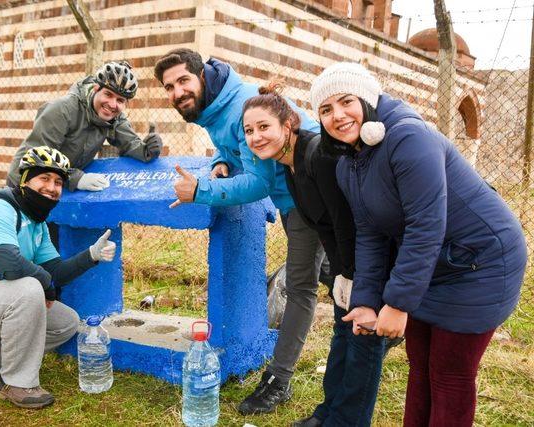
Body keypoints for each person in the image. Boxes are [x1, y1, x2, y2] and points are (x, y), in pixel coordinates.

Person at [310, 62, 527, 426]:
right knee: (421, 368)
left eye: (346, 101)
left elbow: (426, 225)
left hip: (482, 262)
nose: (338, 115)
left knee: (450, 375)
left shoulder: (410, 138)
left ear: (368, 99)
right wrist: (366, 301)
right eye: (326, 110)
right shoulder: (350, 164)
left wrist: (397, 302)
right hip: (433, 266)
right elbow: (370, 234)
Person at [154, 48, 325, 415]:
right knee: (327, 267)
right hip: (294, 195)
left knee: (300, 286)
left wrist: (200, 191)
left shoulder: (239, 103)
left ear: (202, 75)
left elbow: (257, 184)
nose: (177, 92)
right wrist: (219, 162)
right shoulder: (214, 106)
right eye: (169, 87)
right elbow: (232, 148)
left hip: (311, 195)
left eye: (183, 80)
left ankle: (278, 379)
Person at [0, 146, 117, 409]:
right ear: (25, 180)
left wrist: (91, 255)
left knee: (67, 322)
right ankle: (17, 384)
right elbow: (9, 265)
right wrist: (45, 283)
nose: (52, 188)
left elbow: (55, 273)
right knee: (29, 288)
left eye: (58, 182)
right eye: (44, 179)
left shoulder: (37, 224)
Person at [243, 81, 386, 426]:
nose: (256, 137)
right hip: (348, 262)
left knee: (361, 342)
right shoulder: (288, 166)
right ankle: (327, 413)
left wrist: (352, 276)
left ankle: (345, 420)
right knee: (341, 334)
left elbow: (346, 223)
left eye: (264, 127)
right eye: (249, 130)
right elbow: (325, 229)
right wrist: (339, 274)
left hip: (370, 257)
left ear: (288, 124)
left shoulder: (316, 155)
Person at [7, 60, 163, 192]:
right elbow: (38, 158)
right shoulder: (62, 110)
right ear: (96, 88)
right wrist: (76, 178)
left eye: (120, 100)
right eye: (108, 94)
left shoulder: (114, 117)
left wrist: (149, 149)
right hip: (26, 183)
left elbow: (131, 144)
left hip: (58, 184)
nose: (112, 104)